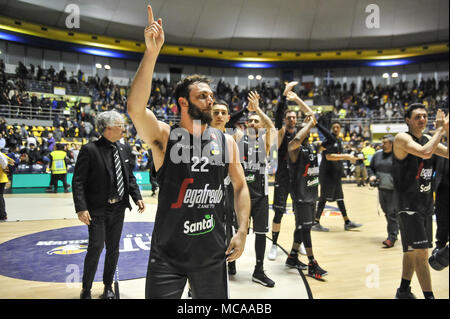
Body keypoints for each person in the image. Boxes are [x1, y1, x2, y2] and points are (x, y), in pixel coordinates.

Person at [127, 5, 250, 299]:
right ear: (183, 103)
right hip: (167, 255)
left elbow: (241, 186)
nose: (210, 101)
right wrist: (152, 52)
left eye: (211, 95)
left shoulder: (226, 142)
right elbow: (134, 109)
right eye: (202, 96)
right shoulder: (165, 137)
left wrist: (243, 229)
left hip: (211, 253)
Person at [72, 110, 146, 299]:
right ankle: (86, 289)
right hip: (97, 209)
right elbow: (78, 181)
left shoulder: (124, 149)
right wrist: (81, 207)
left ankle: (108, 287)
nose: (124, 128)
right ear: (108, 128)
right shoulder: (89, 150)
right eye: (121, 125)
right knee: (96, 248)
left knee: (113, 249)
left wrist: (137, 196)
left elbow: (129, 178)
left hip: (118, 208)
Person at [392, 105, 448, 299]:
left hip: (424, 204)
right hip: (408, 205)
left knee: (411, 251)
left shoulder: (427, 139)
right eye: (417, 117)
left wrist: (446, 130)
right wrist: (440, 129)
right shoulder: (402, 138)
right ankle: (429, 297)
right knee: (422, 253)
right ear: (408, 120)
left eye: (425, 116)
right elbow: (425, 152)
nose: (422, 119)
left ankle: (403, 291)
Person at [233, 91, 277, 287]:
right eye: (249, 121)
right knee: (233, 230)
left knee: (260, 233)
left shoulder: (265, 142)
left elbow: (272, 127)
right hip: (240, 194)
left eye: (255, 121)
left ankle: (259, 271)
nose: (251, 123)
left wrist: (257, 108)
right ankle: (230, 263)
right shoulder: (239, 137)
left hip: (260, 195)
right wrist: (245, 109)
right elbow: (226, 124)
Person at [285, 92, 329, 279]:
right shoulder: (294, 146)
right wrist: (309, 123)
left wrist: (297, 100)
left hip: (312, 193)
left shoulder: (312, 147)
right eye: (302, 125)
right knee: (305, 228)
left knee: (302, 227)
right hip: (301, 194)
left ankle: (293, 256)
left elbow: (331, 141)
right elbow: (295, 142)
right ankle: (312, 263)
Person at [268, 81, 307, 260]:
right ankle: (274, 245)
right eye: (289, 117)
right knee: (278, 212)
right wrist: (284, 96)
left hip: (298, 179)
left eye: (294, 117)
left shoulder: (301, 134)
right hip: (283, 177)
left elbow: (312, 116)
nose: (292, 119)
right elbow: (277, 116)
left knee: (301, 214)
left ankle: (300, 244)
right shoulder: (282, 132)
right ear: (285, 120)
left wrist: (297, 99)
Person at [312, 121, 363, 232]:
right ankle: (315, 222)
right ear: (331, 129)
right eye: (334, 127)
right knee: (324, 198)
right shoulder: (328, 141)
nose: (336, 129)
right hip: (327, 174)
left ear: (341, 129)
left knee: (340, 198)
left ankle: (347, 222)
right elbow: (329, 157)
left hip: (335, 174)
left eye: (338, 127)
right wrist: (347, 156)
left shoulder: (339, 141)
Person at [210, 100, 239, 276]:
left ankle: (230, 261)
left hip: (228, 189)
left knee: (229, 226)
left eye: (223, 113)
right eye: (216, 112)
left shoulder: (232, 139)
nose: (219, 116)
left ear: (228, 118)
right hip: (208, 192)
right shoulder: (199, 138)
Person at [368, 134, 398, 248]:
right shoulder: (377, 155)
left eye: (385, 143)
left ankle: (392, 237)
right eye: (382, 142)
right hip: (381, 188)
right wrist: (371, 176)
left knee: (391, 213)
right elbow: (370, 168)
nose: (382, 144)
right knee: (387, 212)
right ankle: (395, 229)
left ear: (391, 144)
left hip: (394, 190)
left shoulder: (398, 156)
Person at [0, 151, 15, 222]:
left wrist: (5, 167)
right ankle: (3, 215)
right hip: (3, 179)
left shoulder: (1, 155)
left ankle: (2, 215)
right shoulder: (2, 155)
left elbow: (12, 161)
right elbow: (12, 161)